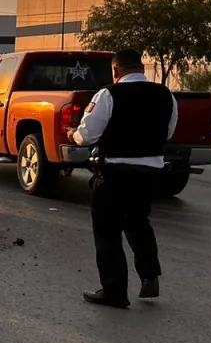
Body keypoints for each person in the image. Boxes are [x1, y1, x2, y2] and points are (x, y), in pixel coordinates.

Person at [71, 48, 178, 308]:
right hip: (150, 173)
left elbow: (88, 135)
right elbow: (169, 131)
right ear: (141, 68)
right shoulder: (166, 95)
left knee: (107, 231)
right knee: (139, 222)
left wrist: (74, 134)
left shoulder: (108, 94)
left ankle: (114, 291)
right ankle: (150, 276)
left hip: (114, 173)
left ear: (116, 70)